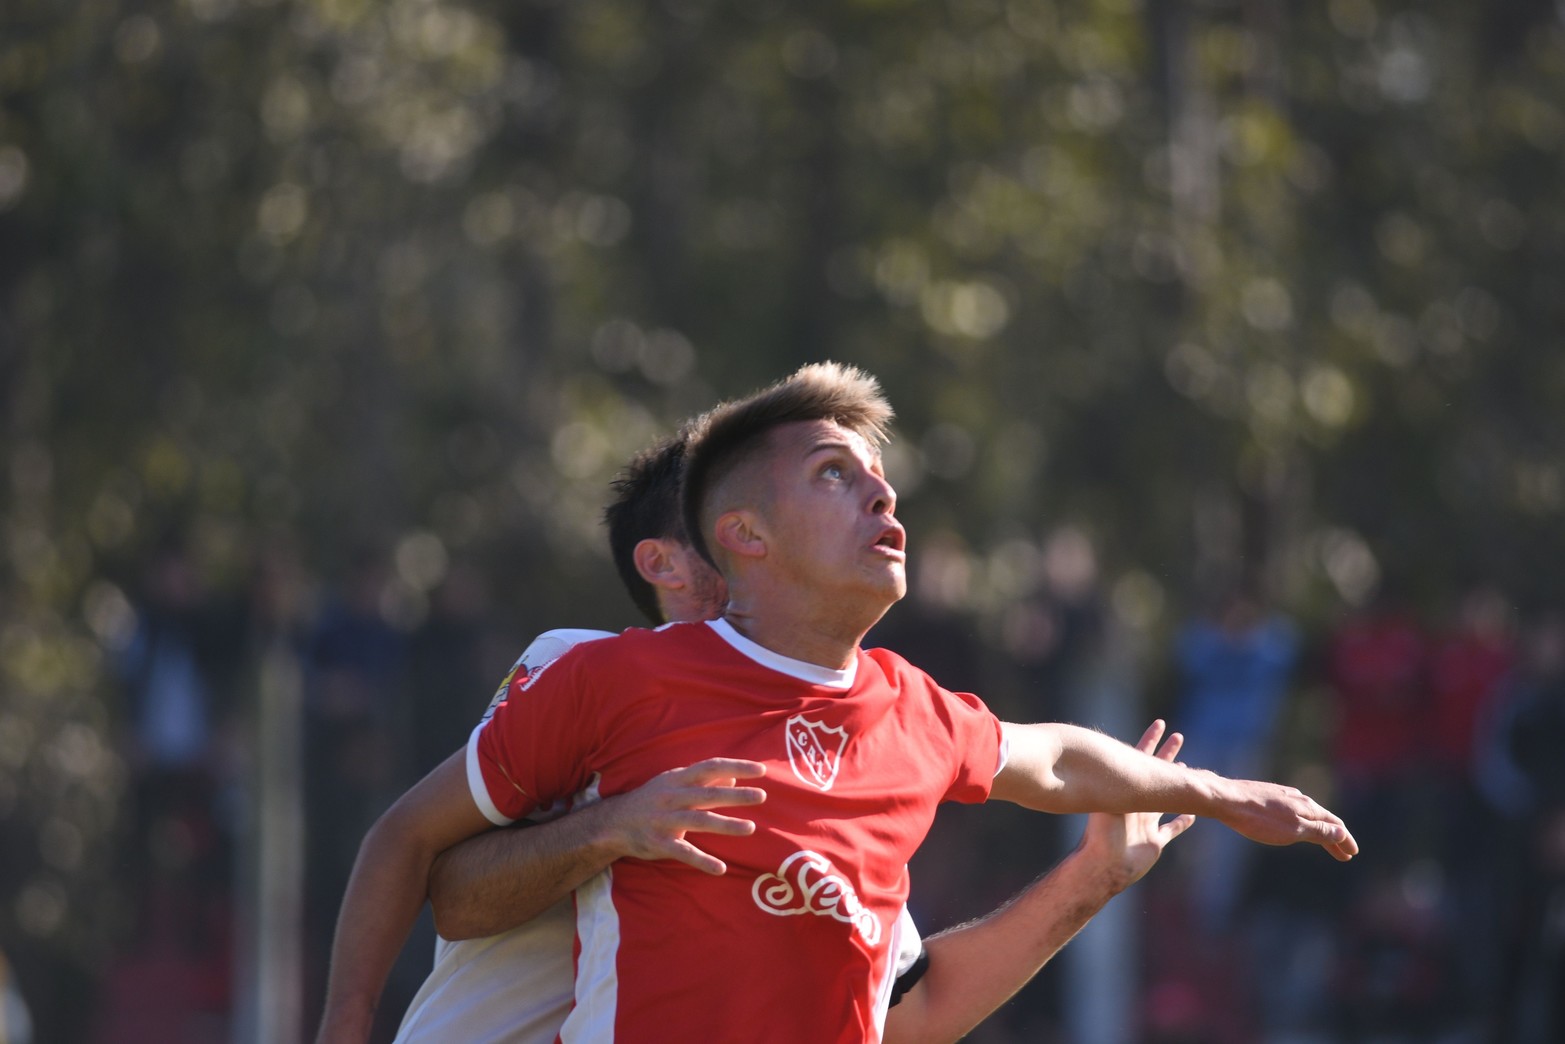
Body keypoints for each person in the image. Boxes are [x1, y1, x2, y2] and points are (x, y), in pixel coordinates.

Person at [322, 363, 1354, 1042]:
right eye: (829, 475)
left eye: (877, 477)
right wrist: (610, 830)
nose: (881, 498)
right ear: (720, 543)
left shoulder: (896, 716)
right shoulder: (592, 674)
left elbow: (923, 1002)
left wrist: (1187, 810)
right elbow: (439, 878)